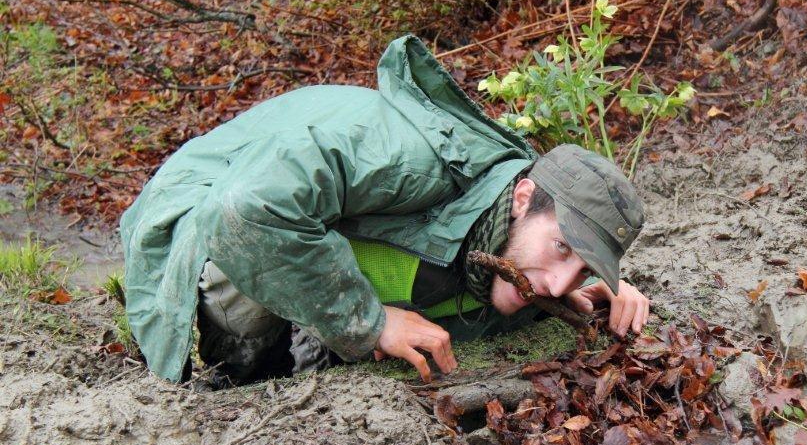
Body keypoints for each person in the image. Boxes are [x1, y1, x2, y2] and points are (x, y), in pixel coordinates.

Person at [120, 35, 649, 386]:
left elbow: (508, 265)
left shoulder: (517, 228)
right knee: (252, 323)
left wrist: (587, 285)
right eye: (562, 248)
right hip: (205, 210)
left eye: (579, 267)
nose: (558, 284)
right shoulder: (406, 161)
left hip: (283, 207)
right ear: (522, 198)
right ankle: (257, 358)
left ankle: (321, 333)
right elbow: (240, 213)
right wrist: (369, 324)